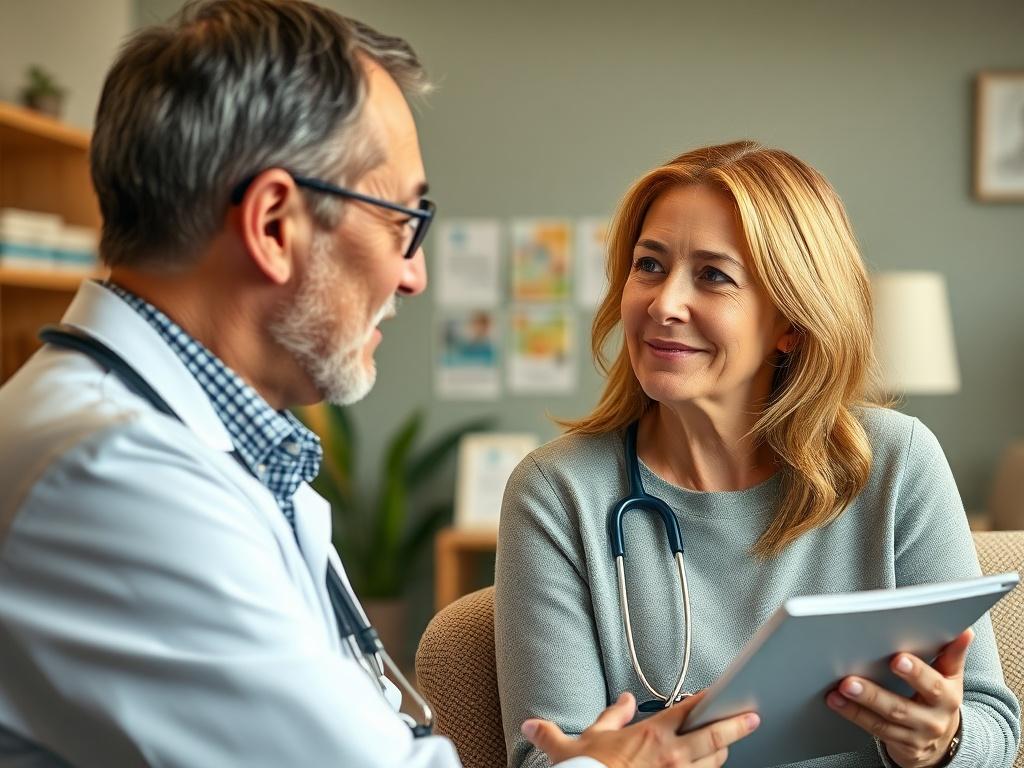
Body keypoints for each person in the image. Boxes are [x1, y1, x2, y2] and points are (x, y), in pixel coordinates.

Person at [0, 2, 759, 766]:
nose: (415, 276)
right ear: (273, 225)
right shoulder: (117, 481)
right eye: (404, 221)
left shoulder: (218, 451)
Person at [494, 141, 1021, 768]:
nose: (664, 304)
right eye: (649, 265)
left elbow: (993, 727)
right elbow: (542, 758)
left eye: (713, 276)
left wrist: (942, 742)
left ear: (790, 324)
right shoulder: (558, 491)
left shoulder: (897, 462)